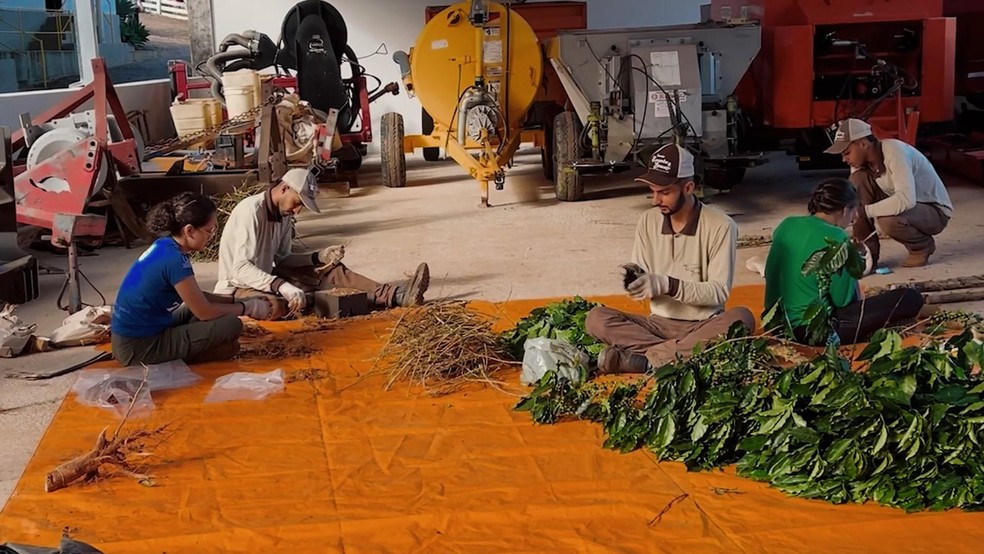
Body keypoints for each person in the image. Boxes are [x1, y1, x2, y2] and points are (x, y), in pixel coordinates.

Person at [585, 144, 756, 374]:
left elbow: (718, 293)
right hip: (656, 325)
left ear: (688, 187)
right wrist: (636, 282)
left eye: (664, 192)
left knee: (741, 318)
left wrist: (669, 284)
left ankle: (645, 361)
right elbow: (642, 274)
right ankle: (670, 357)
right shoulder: (647, 221)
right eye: (653, 191)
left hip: (704, 324)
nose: (656, 200)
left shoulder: (721, 226)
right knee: (596, 318)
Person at [213, 167, 430, 319]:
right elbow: (240, 269)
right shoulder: (250, 211)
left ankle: (396, 294)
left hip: (267, 277)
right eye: (297, 203)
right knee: (279, 305)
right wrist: (283, 286)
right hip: (238, 288)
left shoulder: (285, 215)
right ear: (284, 189)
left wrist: (319, 257)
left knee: (331, 272)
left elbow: (282, 258)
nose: (297, 210)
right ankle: (344, 300)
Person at [111, 192, 273, 366]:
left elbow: (196, 297)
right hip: (139, 346)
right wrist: (248, 308)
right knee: (231, 326)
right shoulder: (174, 261)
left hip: (137, 332)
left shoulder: (165, 244)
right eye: (209, 231)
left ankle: (193, 346)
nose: (211, 238)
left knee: (196, 309)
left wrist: (237, 300)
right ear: (189, 230)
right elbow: (204, 313)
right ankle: (190, 355)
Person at [763, 177, 926, 346]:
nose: (855, 217)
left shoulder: (786, 224)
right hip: (813, 331)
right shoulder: (837, 237)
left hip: (775, 325)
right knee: (910, 297)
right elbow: (843, 301)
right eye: (854, 210)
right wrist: (853, 265)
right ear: (843, 210)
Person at [824, 118, 953, 269]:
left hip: (934, 212)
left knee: (888, 220)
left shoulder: (896, 152)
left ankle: (922, 246)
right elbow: (857, 197)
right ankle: (868, 255)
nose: (844, 159)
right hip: (908, 204)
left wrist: (865, 211)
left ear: (863, 144)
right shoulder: (863, 164)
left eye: (847, 153)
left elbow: (906, 200)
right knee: (857, 181)